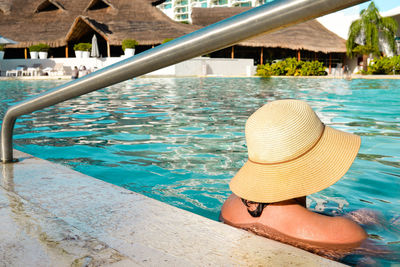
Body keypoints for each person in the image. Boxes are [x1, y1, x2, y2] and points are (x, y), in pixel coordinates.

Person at [220, 99, 367, 259]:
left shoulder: (230, 205)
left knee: (366, 215)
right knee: (371, 217)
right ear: (317, 160)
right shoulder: (346, 234)